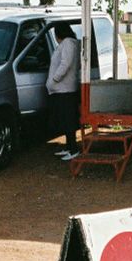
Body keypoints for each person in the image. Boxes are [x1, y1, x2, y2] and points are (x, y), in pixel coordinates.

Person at [47, 22, 81, 160]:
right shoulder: (70, 43)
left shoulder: (68, 43)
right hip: (62, 88)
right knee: (65, 119)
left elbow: (65, 63)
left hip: (64, 88)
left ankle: (73, 149)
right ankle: (68, 147)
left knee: (68, 120)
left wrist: (55, 79)